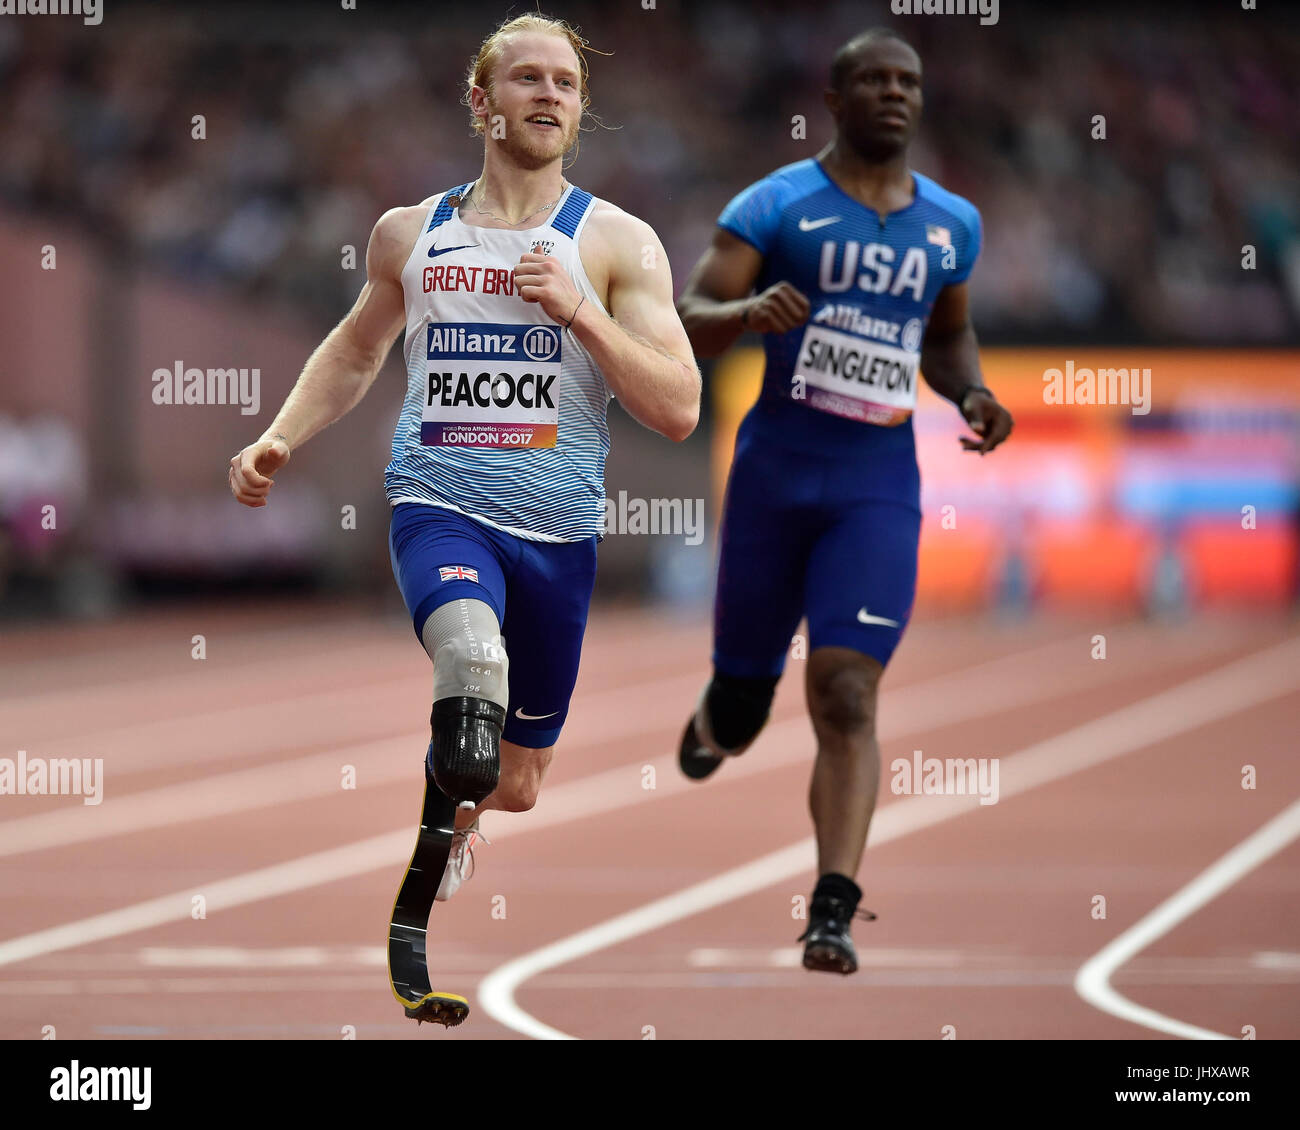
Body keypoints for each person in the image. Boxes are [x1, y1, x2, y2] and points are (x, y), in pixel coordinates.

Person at [229, 13, 699, 1022]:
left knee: (515, 780)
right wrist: (280, 436)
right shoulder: (412, 232)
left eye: (566, 83)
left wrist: (580, 311)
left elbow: (677, 404)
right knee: (472, 662)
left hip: (559, 536)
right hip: (440, 507)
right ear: (480, 102)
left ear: (579, 108)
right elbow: (357, 349)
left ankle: (451, 809)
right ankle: (414, 904)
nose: (548, 95)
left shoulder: (617, 242)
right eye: (525, 78)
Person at [674, 28, 1012, 974]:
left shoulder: (952, 225)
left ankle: (832, 906)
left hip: (874, 487)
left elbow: (948, 337)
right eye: (873, 80)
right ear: (833, 96)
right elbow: (686, 320)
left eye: (908, 81)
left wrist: (974, 393)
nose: (894, 94)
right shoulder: (774, 205)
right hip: (774, 480)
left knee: (847, 690)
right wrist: (744, 316)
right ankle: (718, 718)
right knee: (745, 706)